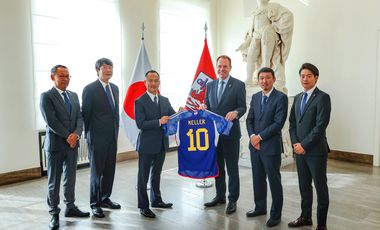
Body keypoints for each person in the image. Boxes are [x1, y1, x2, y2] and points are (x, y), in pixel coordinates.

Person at [40, 65, 89, 230]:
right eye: (61, 76)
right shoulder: (46, 96)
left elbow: (80, 118)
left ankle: (70, 207)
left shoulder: (74, 96)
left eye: (68, 76)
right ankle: (54, 213)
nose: (65, 79)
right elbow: (51, 121)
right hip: (56, 145)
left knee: (71, 178)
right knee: (54, 181)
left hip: (72, 145)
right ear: (52, 77)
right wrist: (68, 136)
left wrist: (76, 134)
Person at [201, 55, 247, 214]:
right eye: (219, 66)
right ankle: (220, 196)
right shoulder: (210, 85)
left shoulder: (238, 85)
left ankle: (232, 199)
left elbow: (243, 107)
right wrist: (203, 106)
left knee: (232, 168)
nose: (221, 69)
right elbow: (208, 105)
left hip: (231, 134)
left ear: (230, 67)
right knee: (218, 167)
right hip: (214, 135)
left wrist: (236, 112)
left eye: (225, 66)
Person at [288, 63, 331, 230]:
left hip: (316, 151)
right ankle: (305, 217)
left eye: (309, 76)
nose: (305, 79)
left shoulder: (323, 97)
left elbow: (320, 126)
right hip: (299, 151)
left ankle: (321, 224)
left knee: (320, 188)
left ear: (316, 78)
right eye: (302, 76)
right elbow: (292, 123)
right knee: (304, 186)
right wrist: (295, 144)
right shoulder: (298, 97)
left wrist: (304, 145)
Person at [245, 67, 288, 227]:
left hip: (271, 147)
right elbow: (249, 119)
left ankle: (276, 215)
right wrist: (252, 137)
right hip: (255, 147)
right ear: (258, 80)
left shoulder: (281, 98)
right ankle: (260, 207)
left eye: (267, 78)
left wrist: (259, 137)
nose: (264, 81)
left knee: (274, 181)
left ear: (273, 79)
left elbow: (278, 123)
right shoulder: (255, 97)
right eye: (261, 78)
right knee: (258, 179)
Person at [134, 70, 176, 218]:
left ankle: (156, 200)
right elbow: (140, 124)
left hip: (162, 144)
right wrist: (159, 121)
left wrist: (181, 112)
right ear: (145, 83)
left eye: (155, 80)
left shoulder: (165, 100)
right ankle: (143, 206)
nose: (153, 83)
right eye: (150, 81)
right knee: (143, 177)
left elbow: (173, 116)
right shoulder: (139, 101)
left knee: (156, 174)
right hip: (146, 145)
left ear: (159, 82)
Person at [82, 58, 120, 218]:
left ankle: (105, 198)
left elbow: (114, 113)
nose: (108, 70)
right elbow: (86, 115)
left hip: (112, 136)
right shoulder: (90, 89)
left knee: (110, 170)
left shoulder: (115, 88)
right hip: (96, 138)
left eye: (110, 67)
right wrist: (90, 136)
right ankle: (95, 203)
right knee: (97, 172)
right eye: (104, 67)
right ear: (97, 70)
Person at [236, 0, 293, 92]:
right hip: (256, 35)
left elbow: (288, 15)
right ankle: (249, 79)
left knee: (266, 58)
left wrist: (274, 26)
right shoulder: (255, 11)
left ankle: (264, 80)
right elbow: (251, 31)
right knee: (251, 57)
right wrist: (245, 43)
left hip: (268, 34)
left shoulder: (273, 7)